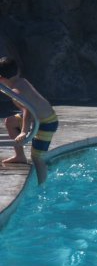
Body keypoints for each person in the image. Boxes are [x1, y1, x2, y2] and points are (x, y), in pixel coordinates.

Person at [0, 57, 58, 185]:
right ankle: (20, 156)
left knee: (37, 157)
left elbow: (28, 111)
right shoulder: (21, 81)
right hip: (40, 118)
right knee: (10, 122)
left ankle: (42, 185)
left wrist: (24, 132)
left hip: (46, 123)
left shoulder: (17, 92)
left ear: (1, 78)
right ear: (18, 71)